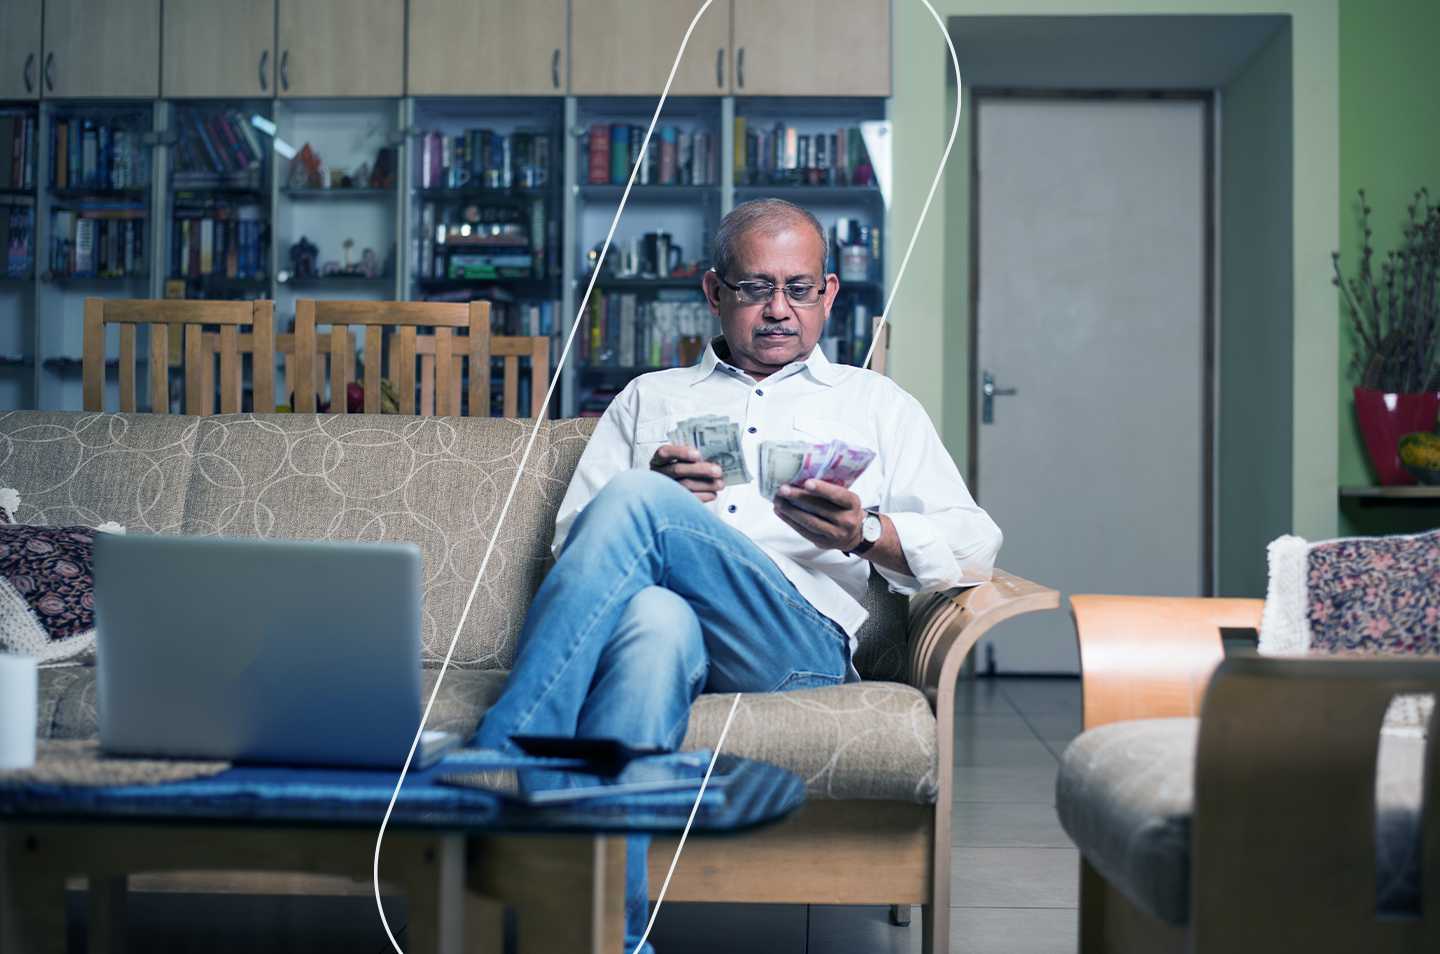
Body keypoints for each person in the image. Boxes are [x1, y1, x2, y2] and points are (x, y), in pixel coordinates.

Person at [473, 198, 1002, 952]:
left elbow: (976, 544)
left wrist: (868, 533)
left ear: (829, 294)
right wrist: (663, 511)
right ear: (713, 292)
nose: (779, 310)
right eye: (755, 288)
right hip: (670, 633)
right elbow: (570, 553)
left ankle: (513, 738)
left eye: (799, 288)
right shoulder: (650, 399)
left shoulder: (875, 403)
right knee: (653, 620)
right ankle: (606, 937)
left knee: (636, 498)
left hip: (794, 650)